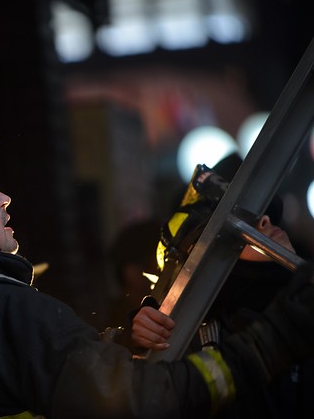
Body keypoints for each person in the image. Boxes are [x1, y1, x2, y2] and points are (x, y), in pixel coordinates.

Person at [0, 93, 314, 418]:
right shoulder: (4, 314)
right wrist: (270, 343)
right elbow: (140, 404)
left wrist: (122, 345)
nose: (2, 197)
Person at [129, 156, 314, 418]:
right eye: (241, 223)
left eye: (264, 213)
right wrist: (138, 347)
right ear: (202, 263)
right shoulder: (197, 342)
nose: (265, 221)